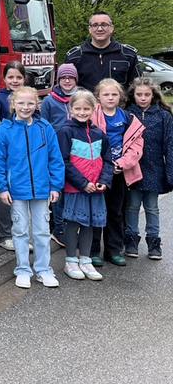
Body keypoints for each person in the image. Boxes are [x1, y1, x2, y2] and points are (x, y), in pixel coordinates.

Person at [0, 86, 64, 289]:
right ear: (13, 104)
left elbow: (55, 158)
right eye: (21, 103)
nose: (26, 107)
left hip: (41, 190)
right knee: (20, 231)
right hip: (16, 191)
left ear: (36, 104)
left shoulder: (44, 128)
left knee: (42, 231)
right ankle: (22, 269)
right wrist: (2, 187)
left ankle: (43, 269)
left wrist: (55, 185)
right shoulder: (3, 131)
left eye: (30, 103)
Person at [56, 90, 114, 281]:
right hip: (76, 187)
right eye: (78, 108)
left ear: (93, 109)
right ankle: (70, 260)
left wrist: (103, 181)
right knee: (73, 223)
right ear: (70, 109)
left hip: (95, 188)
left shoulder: (99, 133)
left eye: (86, 108)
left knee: (90, 223)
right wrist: (82, 183)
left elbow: (107, 160)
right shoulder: (66, 131)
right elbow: (63, 161)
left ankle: (85, 259)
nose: (82, 112)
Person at [91, 79, 144, 267]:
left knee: (115, 211)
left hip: (119, 171)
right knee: (96, 211)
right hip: (97, 171)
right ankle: (93, 251)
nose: (110, 98)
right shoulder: (91, 115)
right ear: (98, 97)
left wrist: (121, 164)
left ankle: (113, 250)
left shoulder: (128, 118)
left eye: (114, 94)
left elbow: (137, 147)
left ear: (120, 96)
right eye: (106, 94)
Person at [124, 77, 173, 260]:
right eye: (139, 94)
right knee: (133, 205)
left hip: (155, 169)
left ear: (153, 95)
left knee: (152, 207)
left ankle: (154, 242)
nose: (143, 98)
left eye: (147, 94)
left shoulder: (163, 116)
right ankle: (131, 240)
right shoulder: (127, 113)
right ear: (133, 95)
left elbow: (169, 145)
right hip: (133, 168)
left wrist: (170, 172)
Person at [39, 63, 80, 247]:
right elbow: (45, 126)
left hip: (78, 149)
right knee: (58, 188)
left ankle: (73, 224)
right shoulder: (49, 100)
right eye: (63, 77)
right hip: (56, 150)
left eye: (70, 77)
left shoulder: (80, 97)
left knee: (74, 188)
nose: (67, 80)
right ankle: (59, 227)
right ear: (58, 79)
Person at [0, 60, 26, 251]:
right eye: (10, 77)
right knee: (5, 192)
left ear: (24, 79)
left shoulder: (28, 97)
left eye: (19, 77)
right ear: (4, 78)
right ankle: (5, 235)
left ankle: (20, 233)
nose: (15, 80)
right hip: (7, 152)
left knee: (23, 193)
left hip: (25, 153)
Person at [64, 10, 142, 92]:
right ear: (90, 29)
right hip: (86, 104)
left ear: (111, 28)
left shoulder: (128, 55)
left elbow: (137, 88)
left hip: (119, 104)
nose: (100, 29)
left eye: (104, 25)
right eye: (95, 25)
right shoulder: (74, 57)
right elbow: (64, 89)